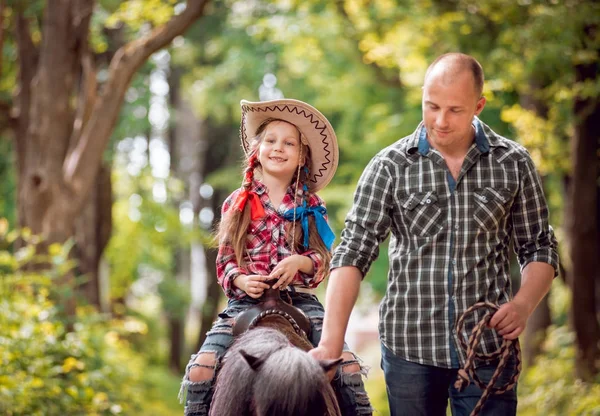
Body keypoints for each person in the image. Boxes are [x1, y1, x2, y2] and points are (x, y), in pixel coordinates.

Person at [309, 53, 559, 416]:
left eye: (456, 110)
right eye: (432, 106)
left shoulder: (513, 163)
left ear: (479, 105)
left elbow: (539, 244)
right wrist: (330, 343)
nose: (440, 121)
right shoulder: (389, 166)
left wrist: (523, 304)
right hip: (409, 350)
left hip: (488, 348)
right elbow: (353, 251)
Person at [180, 98, 373, 416]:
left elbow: (322, 260)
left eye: (288, 143)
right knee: (201, 369)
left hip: (300, 303)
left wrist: (300, 262)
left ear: (301, 158)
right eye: (270, 140)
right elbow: (225, 262)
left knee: (347, 368)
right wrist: (242, 279)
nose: (278, 148)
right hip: (245, 304)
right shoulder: (237, 202)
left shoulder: (311, 204)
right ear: (257, 149)